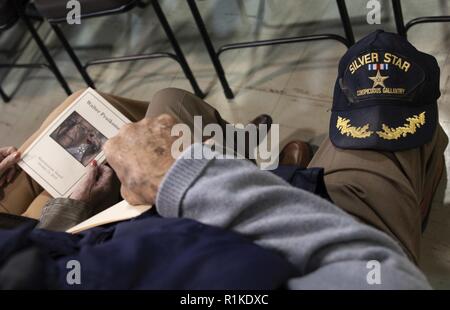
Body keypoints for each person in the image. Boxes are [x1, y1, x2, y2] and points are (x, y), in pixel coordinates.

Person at [0, 29, 442, 289]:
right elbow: (385, 278)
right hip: (286, 243)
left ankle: (250, 157)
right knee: (387, 74)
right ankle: (409, 207)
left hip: (99, 231)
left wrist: (69, 211)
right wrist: (179, 175)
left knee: (170, 101)